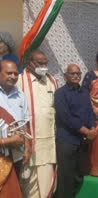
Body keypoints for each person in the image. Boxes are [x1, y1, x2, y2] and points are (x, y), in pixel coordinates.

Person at [16, 50, 58, 198]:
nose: (44, 66)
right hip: (28, 144)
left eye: (46, 63)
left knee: (47, 182)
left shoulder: (51, 80)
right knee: (29, 183)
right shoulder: (19, 81)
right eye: (40, 63)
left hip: (48, 143)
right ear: (29, 64)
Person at [54, 64, 97, 198]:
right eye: (72, 73)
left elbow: (90, 112)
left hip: (82, 141)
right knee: (66, 176)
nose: (76, 76)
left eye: (78, 73)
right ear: (65, 75)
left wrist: (93, 129)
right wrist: (87, 131)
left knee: (79, 174)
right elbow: (66, 117)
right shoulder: (60, 93)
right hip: (67, 140)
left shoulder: (84, 91)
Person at [0, 60, 31, 176]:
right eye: (9, 73)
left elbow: (24, 124)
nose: (13, 77)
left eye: (16, 74)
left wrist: (27, 148)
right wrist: (6, 142)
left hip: (17, 155)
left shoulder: (20, 95)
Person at [0, 106, 24, 198]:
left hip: (5, 167)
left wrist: (17, 137)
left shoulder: (2, 112)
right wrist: (6, 141)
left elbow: (19, 136)